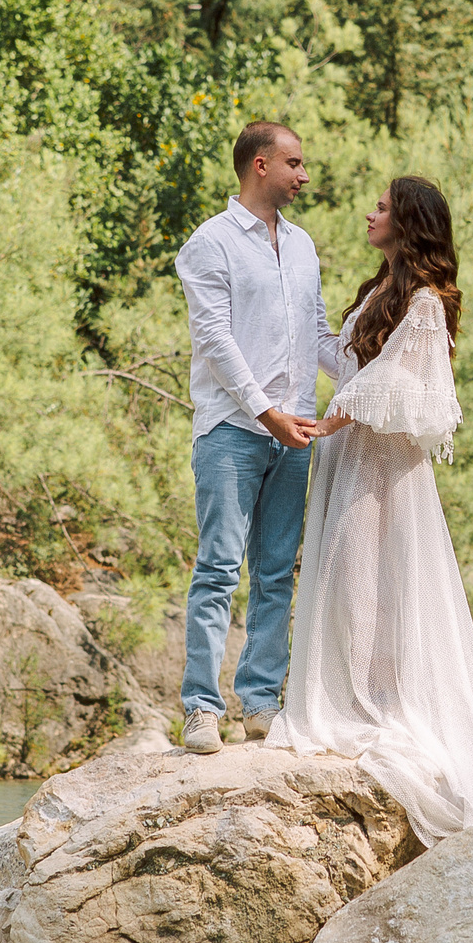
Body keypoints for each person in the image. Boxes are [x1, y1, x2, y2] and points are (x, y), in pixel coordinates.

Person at [270, 175, 473, 842]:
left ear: (408, 223)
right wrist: (300, 322)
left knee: (373, 583)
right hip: (350, 455)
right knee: (349, 584)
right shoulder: (381, 292)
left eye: (381, 206)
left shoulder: (428, 303)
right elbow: (347, 363)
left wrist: (331, 420)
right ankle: (357, 699)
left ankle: (382, 706)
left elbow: (404, 380)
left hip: (380, 465)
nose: (369, 213)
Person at [173, 121, 332, 756]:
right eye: (295, 163)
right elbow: (215, 341)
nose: (305, 174)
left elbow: (318, 334)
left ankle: (261, 703)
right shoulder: (209, 244)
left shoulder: (303, 246)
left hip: (295, 431)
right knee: (217, 569)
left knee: (275, 572)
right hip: (233, 431)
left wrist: (386, 371)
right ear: (259, 166)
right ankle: (200, 708)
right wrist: (267, 414)